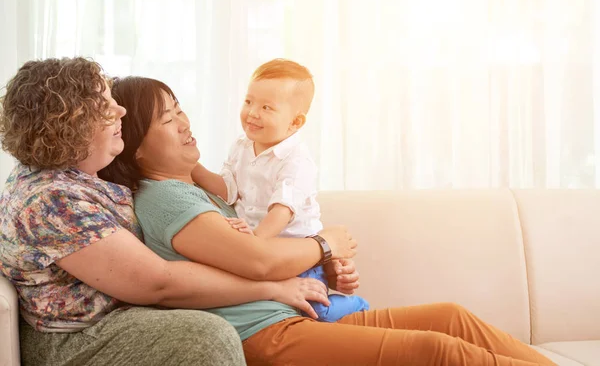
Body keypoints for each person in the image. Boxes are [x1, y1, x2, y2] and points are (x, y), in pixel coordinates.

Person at [101, 74, 557, 366]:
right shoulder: (165, 198)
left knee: (450, 318)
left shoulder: (200, 190)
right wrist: (326, 244)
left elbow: (255, 253)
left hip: (291, 317)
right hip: (264, 335)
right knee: (434, 351)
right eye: (167, 118)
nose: (184, 122)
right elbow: (257, 261)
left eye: (180, 108)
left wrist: (316, 263)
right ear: (134, 145)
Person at [0, 57, 356, 366]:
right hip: (76, 338)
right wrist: (279, 282)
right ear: (70, 125)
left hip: (123, 316)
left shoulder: (75, 178)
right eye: (105, 109)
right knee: (205, 335)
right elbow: (160, 282)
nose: (120, 111)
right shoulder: (52, 200)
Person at [191, 58, 369, 322]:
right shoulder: (241, 145)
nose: (252, 113)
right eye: (249, 101)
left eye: (267, 107)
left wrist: (255, 240)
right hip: (259, 251)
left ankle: (356, 306)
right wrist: (194, 168)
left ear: (295, 122)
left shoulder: (296, 160)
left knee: (313, 309)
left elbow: (281, 210)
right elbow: (228, 190)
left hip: (297, 255)